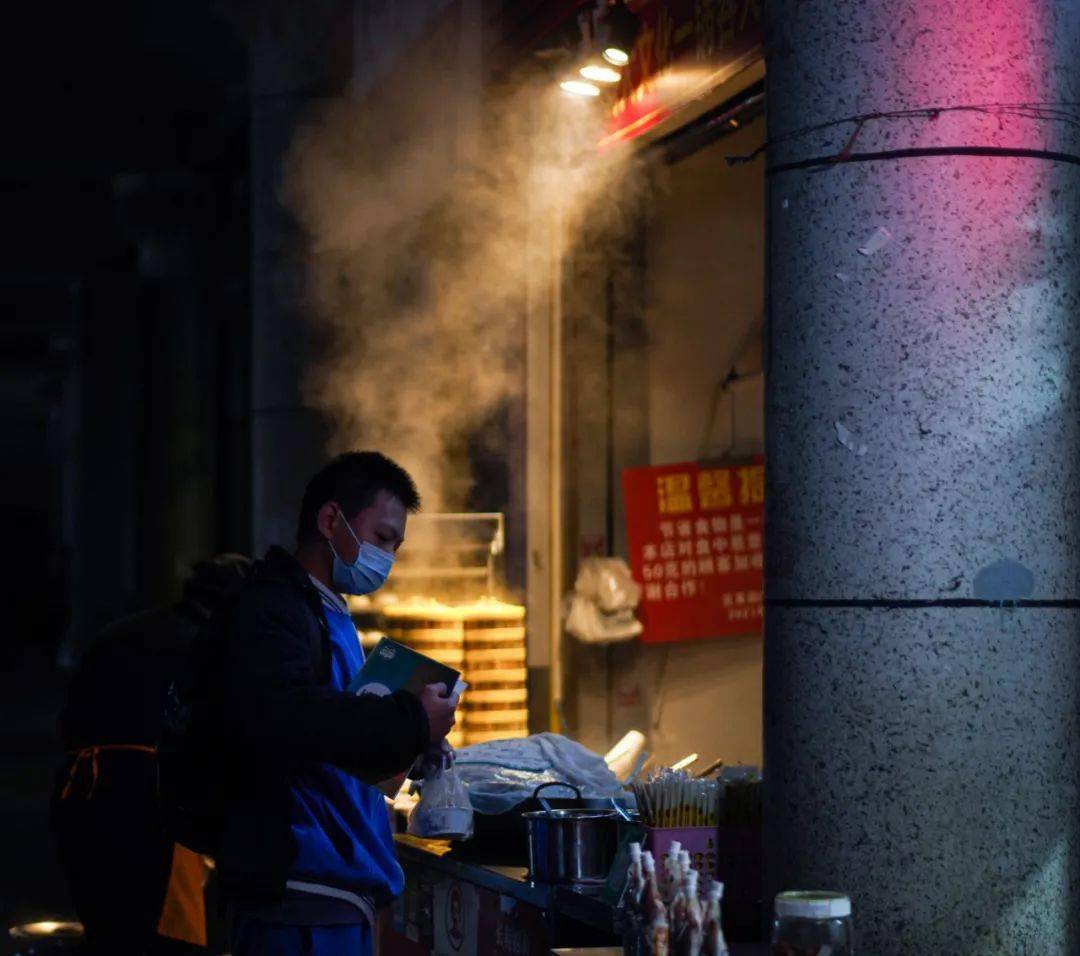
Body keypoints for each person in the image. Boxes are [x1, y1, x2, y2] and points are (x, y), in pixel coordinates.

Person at [214, 451, 457, 956]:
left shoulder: (331, 613)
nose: (388, 558)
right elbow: (292, 718)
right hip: (298, 896)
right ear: (331, 520)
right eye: (383, 538)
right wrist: (410, 717)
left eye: (396, 546)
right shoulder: (273, 610)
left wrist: (412, 746)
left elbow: (337, 734)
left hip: (337, 894)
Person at [52, 553, 252, 954]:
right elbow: (217, 738)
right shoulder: (204, 647)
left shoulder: (127, 630)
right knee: (160, 939)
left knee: (107, 932)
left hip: (77, 792)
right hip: (146, 803)